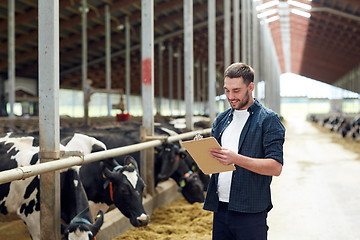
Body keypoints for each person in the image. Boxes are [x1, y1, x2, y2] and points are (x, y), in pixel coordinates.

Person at [203, 62, 285, 240]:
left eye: (236, 91)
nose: (230, 96)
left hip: (250, 211)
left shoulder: (268, 120)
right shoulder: (222, 119)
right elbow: (217, 162)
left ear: (251, 87)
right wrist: (203, 154)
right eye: (227, 90)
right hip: (221, 208)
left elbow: (275, 167)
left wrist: (236, 159)